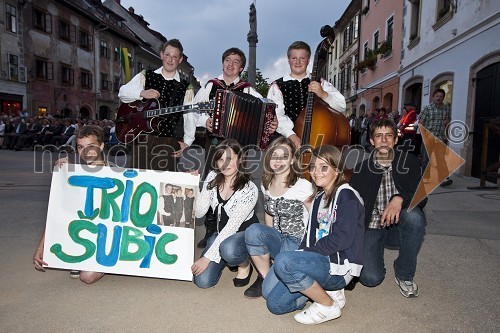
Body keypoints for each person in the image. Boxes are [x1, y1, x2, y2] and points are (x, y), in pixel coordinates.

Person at [264, 145, 364, 325]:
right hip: (320, 261)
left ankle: (327, 304)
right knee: (275, 304)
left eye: (323, 167)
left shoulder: (346, 196)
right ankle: (322, 291)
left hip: (338, 266)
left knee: (284, 261)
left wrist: (306, 254)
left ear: (338, 169)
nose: (316, 172)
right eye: (313, 167)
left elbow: (343, 238)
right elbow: (309, 235)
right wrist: (303, 253)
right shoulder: (319, 198)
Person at [191, 47, 273, 248]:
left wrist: (271, 123)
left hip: (239, 149)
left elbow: (264, 110)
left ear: (241, 67)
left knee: (238, 184)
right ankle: (211, 229)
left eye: (236, 62)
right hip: (216, 145)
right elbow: (194, 110)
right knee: (212, 184)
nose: (230, 64)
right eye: (227, 60)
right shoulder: (210, 87)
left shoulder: (248, 90)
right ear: (222, 62)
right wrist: (206, 121)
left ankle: (235, 224)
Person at [350, 118, 427, 298]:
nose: (384, 140)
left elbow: (422, 196)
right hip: (374, 225)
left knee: (414, 217)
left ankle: (404, 274)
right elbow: (353, 207)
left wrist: (399, 198)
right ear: (371, 141)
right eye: (378, 136)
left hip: (400, 225)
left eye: (388, 136)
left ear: (395, 140)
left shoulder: (410, 162)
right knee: (370, 279)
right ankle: (376, 254)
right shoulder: (361, 169)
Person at [32, 125, 111, 284]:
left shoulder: (117, 174)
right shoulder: (72, 173)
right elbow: (57, 212)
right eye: (81, 147)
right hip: (82, 230)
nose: (85, 152)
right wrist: (41, 248)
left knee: (87, 277)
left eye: (91, 146)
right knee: (85, 276)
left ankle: (107, 262)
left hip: (105, 234)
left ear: (101, 146)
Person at [244, 136, 313, 299]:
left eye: (284, 156)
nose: (278, 160)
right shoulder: (266, 182)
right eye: (275, 155)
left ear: (292, 160)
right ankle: (264, 275)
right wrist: (267, 242)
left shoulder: (302, 185)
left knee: (269, 294)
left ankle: (308, 290)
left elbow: (315, 218)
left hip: (297, 242)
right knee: (253, 230)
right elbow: (268, 213)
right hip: (279, 238)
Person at [191, 139, 259, 289]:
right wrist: (194, 185)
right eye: (221, 159)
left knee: (229, 249)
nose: (225, 163)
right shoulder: (212, 177)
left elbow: (232, 227)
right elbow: (200, 212)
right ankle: (226, 257)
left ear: (240, 159)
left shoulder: (249, 189)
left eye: (230, 158)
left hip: (244, 235)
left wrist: (207, 258)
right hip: (220, 233)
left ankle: (245, 264)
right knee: (202, 281)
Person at [118, 38, 194, 172]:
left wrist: (187, 142)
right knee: (137, 180)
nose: (170, 60)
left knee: (165, 185)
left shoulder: (186, 87)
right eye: (167, 55)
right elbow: (123, 92)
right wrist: (142, 93)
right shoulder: (146, 75)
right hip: (142, 139)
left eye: (174, 57)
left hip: (169, 141)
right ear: (161, 54)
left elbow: (190, 117)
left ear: (180, 60)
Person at [267, 41, 346, 149]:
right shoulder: (276, 86)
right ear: (288, 60)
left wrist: (323, 94)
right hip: (287, 142)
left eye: (302, 58)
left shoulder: (321, 83)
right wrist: (292, 135)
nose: (298, 62)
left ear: (308, 60)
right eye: (294, 58)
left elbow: (342, 106)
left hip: (317, 140)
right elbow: (277, 116)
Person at [419, 88, 453, 186]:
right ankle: (425, 177)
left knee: (441, 159)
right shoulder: (427, 108)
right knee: (426, 159)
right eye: (437, 96)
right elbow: (421, 122)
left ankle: (443, 179)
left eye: (441, 97)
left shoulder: (446, 108)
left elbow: (447, 121)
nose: (439, 98)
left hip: (441, 137)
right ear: (433, 97)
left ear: (443, 98)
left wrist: (447, 124)